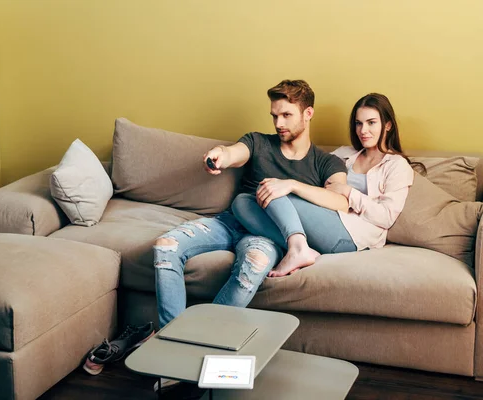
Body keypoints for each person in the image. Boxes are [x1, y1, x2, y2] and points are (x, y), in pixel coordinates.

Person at [153, 79, 348, 329]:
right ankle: (171, 337)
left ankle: (201, 336)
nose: (279, 124)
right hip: (230, 222)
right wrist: (221, 155)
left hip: (267, 236)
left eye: (287, 115)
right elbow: (234, 153)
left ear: (308, 113)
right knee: (165, 247)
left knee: (253, 264)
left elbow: (340, 202)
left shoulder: (327, 163)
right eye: (274, 116)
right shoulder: (258, 142)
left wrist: (291, 184)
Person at [231, 93, 414, 277]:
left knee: (276, 191)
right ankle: (299, 249)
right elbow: (314, 178)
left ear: (388, 125)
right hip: (320, 220)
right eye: (359, 123)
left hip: (353, 235)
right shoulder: (344, 155)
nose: (363, 130)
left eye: (371, 122)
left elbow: (387, 217)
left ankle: (297, 249)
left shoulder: (397, 165)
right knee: (242, 203)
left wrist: (349, 193)